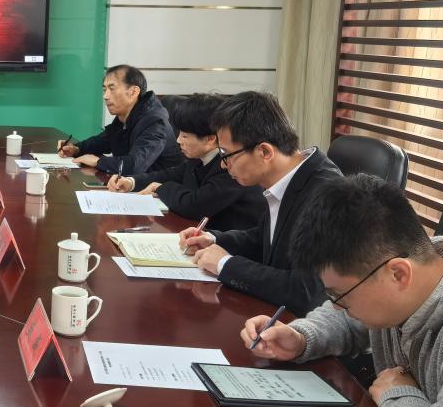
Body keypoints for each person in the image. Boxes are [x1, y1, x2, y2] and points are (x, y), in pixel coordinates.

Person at [240, 175, 443, 407]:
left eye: (340, 295)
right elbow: (352, 316)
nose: (336, 306)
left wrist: (396, 394)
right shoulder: (418, 262)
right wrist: (302, 336)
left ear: (398, 274)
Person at [179, 91, 340, 316]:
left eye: (226, 155)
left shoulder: (326, 195)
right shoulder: (289, 177)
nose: (223, 165)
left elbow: (304, 291)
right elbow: (265, 238)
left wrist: (225, 264)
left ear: (264, 151)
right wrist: (213, 239)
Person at [106, 93, 264, 231]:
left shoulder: (232, 165)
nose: (178, 140)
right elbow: (170, 175)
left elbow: (195, 205)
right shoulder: (198, 159)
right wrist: (131, 182)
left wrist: (160, 188)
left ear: (210, 139)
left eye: (185, 136)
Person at [58, 64, 181, 176]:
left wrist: (98, 161)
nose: (105, 96)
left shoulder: (154, 122)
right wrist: (76, 148)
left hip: (158, 189)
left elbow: (134, 165)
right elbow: (103, 141)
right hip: (131, 185)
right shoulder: (127, 117)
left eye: (112, 88)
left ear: (133, 92)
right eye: (104, 89)